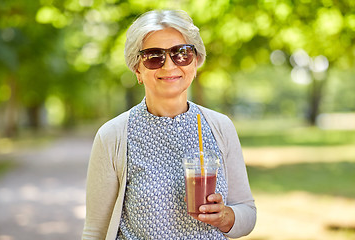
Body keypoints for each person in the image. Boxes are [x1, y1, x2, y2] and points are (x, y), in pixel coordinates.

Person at [82, 9, 256, 240]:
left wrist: (225, 217)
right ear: (138, 70)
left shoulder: (220, 126)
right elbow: (95, 231)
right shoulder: (113, 136)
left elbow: (247, 212)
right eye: (154, 56)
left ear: (195, 62)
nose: (169, 65)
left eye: (181, 53)